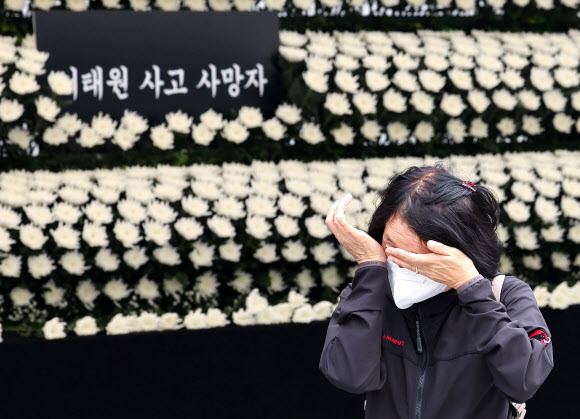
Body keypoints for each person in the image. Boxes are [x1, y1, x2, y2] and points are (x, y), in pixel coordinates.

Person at [318, 164, 554, 419]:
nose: (403, 265)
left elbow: (524, 382)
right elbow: (348, 375)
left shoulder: (505, 295)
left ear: (462, 250)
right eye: (393, 248)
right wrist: (370, 268)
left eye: (420, 258)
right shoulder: (370, 291)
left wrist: (471, 288)